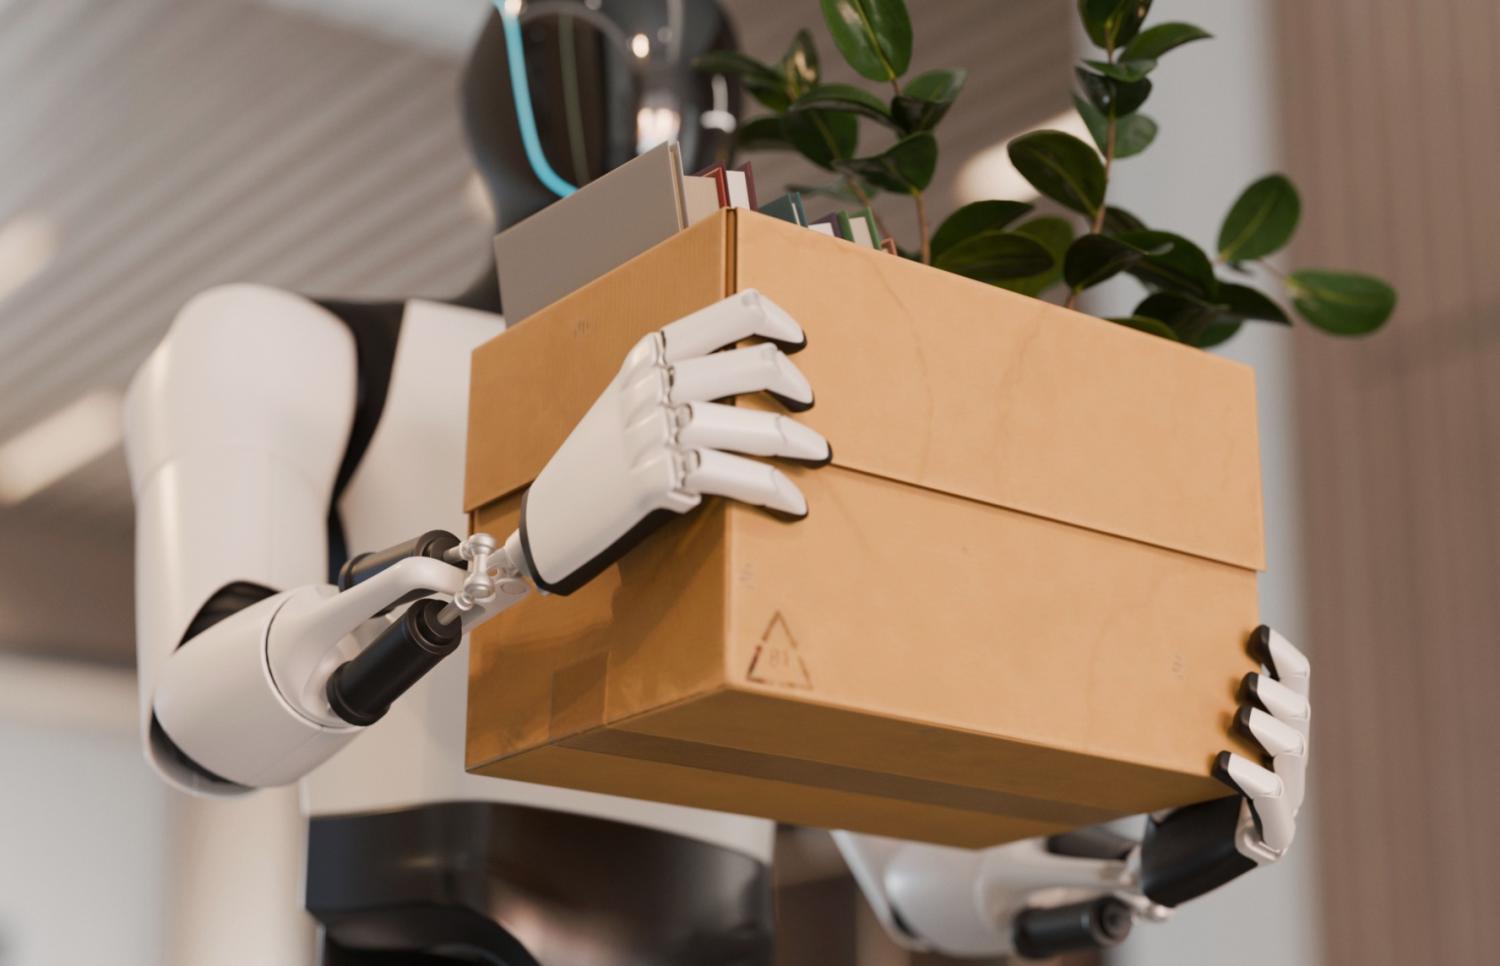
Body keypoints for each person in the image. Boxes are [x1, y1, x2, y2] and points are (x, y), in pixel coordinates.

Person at [124, 4, 1309, 962]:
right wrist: (512, 560)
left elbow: (898, 866)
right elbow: (202, 723)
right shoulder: (295, 351)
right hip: (438, 928)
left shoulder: (779, 389)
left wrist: (1154, 856)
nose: (674, 116)